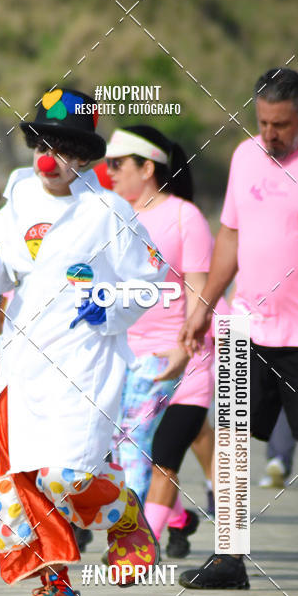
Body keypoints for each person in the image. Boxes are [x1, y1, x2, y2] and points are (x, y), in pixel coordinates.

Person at [0, 87, 169, 596]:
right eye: (44, 143)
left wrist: (110, 305)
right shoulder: (17, 202)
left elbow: (151, 281)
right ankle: (58, 592)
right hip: (22, 369)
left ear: (86, 156)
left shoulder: (109, 210)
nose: (51, 159)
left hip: (84, 365)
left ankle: (122, 516)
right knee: (20, 483)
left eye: (66, 148)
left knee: (64, 476)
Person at [180, 67, 298, 587]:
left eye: (280, 124)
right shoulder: (245, 156)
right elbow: (230, 239)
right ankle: (229, 559)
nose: (269, 134)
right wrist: (204, 304)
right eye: (262, 122)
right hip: (246, 326)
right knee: (234, 441)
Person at [105, 125, 213, 557]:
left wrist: (184, 350)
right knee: (122, 448)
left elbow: (201, 290)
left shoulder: (185, 216)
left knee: (134, 446)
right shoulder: (112, 213)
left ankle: (132, 543)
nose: (108, 172)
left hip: (168, 352)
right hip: (120, 351)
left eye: (117, 164)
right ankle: (177, 515)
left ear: (147, 168)